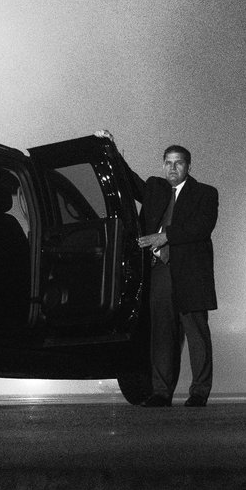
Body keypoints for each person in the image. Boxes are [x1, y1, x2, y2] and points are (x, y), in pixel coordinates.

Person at [102, 135, 220, 408]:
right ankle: (161, 392)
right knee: (162, 335)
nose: (172, 168)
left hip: (191, 274)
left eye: (178, 163)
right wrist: (111, 149)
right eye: (168, 163)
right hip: (160, 273)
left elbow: (202, 227)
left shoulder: (206, 193)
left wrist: (165, 236)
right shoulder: (155, 189)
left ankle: (199, 392)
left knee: (197, 335)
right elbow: (128, 180)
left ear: (188, 166)